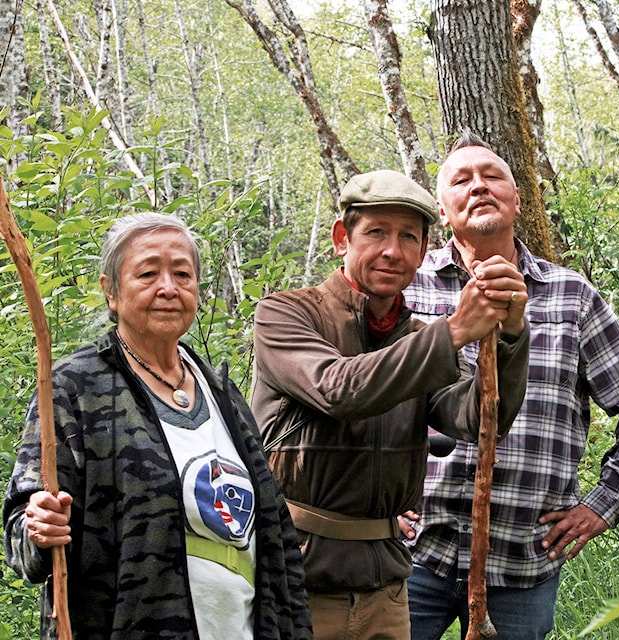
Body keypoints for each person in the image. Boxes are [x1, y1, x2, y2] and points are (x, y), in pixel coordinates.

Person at [249, 169, 530, 640]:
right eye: (376, 232)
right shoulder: (286, 313)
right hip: (297, 582)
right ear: (343, 238)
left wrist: (512, 335)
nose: (392, 251)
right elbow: (338, 389)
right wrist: (456, 330)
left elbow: (481, 421)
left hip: (387, 587)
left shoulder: (418, 338)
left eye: (408, 238)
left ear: (423, 252)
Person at [3, 213, 312, 640]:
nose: (168, 287)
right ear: (110, 291)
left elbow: (271, 534)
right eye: (148, 273)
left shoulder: (221, 392)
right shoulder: (75, 389)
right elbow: (22, 534)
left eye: (182, 274)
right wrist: (38, 527)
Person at [399, 131, 619, 640]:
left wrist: (605, 503)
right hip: (412, 552)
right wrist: (371, 501)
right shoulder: (406, 286)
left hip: (523, 559)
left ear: (516, 200)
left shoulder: (570, 295)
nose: (479, 187)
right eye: (461, 180)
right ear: (442, 211)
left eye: (493, 177)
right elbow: (353, 395)